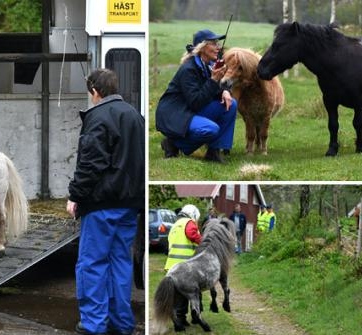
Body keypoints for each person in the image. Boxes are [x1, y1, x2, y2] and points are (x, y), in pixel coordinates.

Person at [66, 68, 144, 335]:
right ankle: (121, 323)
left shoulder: (98, 116)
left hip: (102, 204)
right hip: (130, 204)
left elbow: (91, 164)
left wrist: (75, 195)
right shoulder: (135, 115)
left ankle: (93, 324)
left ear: (94, 91)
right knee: (120, 263)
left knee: (92, 263)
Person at [155, 29, 238, 163]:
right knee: (210, 129)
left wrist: (225, 90)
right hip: (176, 113)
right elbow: (196, 102)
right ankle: (173, 144)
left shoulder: (209, 65)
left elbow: (216, 87)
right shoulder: (188, 69)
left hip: (190, 109)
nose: (218, 47)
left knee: (231, 104)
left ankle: (214, 151)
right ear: (202, 47)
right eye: (214, 44)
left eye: (218, 43)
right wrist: (213, 81)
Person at [164, 204, 202, 331]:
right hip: (184, 264)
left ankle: (181, 318)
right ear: (193, 214)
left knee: (178, 294)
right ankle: (179, 319)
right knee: (185, 293)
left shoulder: (175, 225)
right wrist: (203, 241)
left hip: (171, 264)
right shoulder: (189, 222)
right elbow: (192, 234)